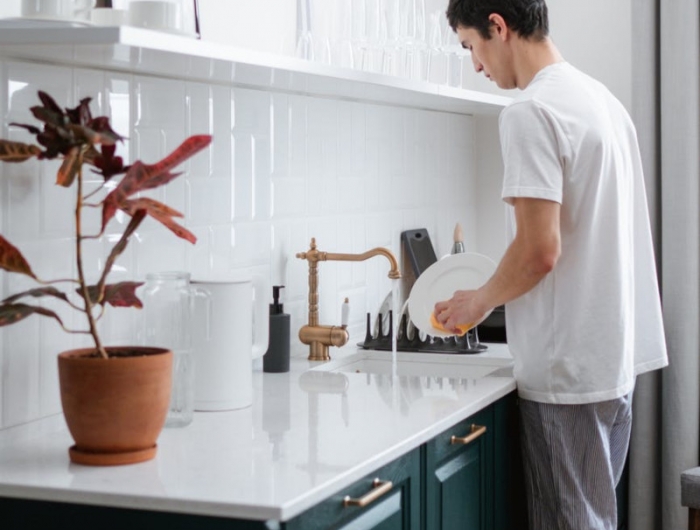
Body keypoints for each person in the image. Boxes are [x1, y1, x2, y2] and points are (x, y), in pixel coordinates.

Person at [434, 1, 669, 528]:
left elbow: (540, 251)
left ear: (498, 26)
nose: (474, 64)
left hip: (566, 373)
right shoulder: (602, 101)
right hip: (611, 364)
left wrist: (478, 299)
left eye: (471, 46)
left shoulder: (530, 112)